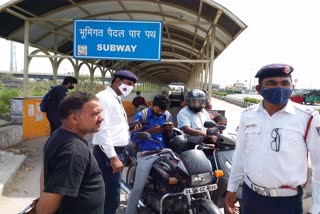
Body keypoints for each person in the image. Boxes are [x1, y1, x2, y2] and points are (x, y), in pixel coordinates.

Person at [224, 64, 320, 214]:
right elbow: (240, 154)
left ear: (292, 87)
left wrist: (316, 208)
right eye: (272, 83)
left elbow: (318, 165)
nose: (280, 88)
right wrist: (232, 188)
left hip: (286, 203)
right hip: (250, 197)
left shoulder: (308, 117)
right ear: (259, 89)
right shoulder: (248, 115)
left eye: (285, 83)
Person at [36, 91, 105, 214]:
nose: (101, 118)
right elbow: (45, 209)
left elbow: (45, 171)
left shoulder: (58, 135)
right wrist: (40, 205)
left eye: (101, 112)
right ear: (74, 118)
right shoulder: (74, 152)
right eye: (95, 114)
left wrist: (42, 197)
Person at [92, 70, 140, 214]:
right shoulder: (105, 98)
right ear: (117, 81)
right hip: (107, 153)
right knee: (109, 195)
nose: (130, 87)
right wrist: (113, 157)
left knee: (112, 193)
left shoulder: (115, 98)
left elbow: (114, 126)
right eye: (128, 84)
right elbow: (102, 130)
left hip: (115, 150)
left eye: (132, 85)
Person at [126, 94, 173, 214]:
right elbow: (133, 138)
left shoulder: (167, 116)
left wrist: (169, 131)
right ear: (152, 105)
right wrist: (150, 131)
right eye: (157, 110)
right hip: (146, 153)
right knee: (138, 187)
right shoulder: (142, 115)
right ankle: (130, 211)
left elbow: (169, 137)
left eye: (162, 112)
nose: (159, 113)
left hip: (164, 151)